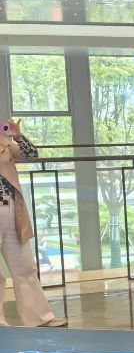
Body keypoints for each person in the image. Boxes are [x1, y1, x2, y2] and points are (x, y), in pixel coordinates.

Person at [0, 119, 66, 327]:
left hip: (12, 210)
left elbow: (31, 155)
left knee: (25, 266)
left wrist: (18, 136)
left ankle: (39, 318)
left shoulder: (4, 143)